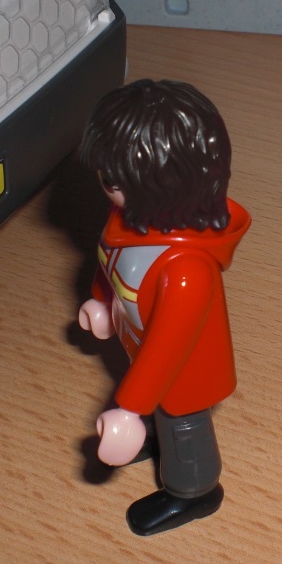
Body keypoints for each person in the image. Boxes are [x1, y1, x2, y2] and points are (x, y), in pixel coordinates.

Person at [78, 79, 251, 535]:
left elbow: (167, 350)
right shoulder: (126, 221)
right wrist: (101, 301)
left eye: (114, 180)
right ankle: (154, 435)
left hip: (183, 372)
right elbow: (110, 259)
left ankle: (194, 490)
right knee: (161, 414)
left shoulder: (188, 271)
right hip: (140, 348)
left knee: (183, 425)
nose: (105, 187)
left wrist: (128, 409)